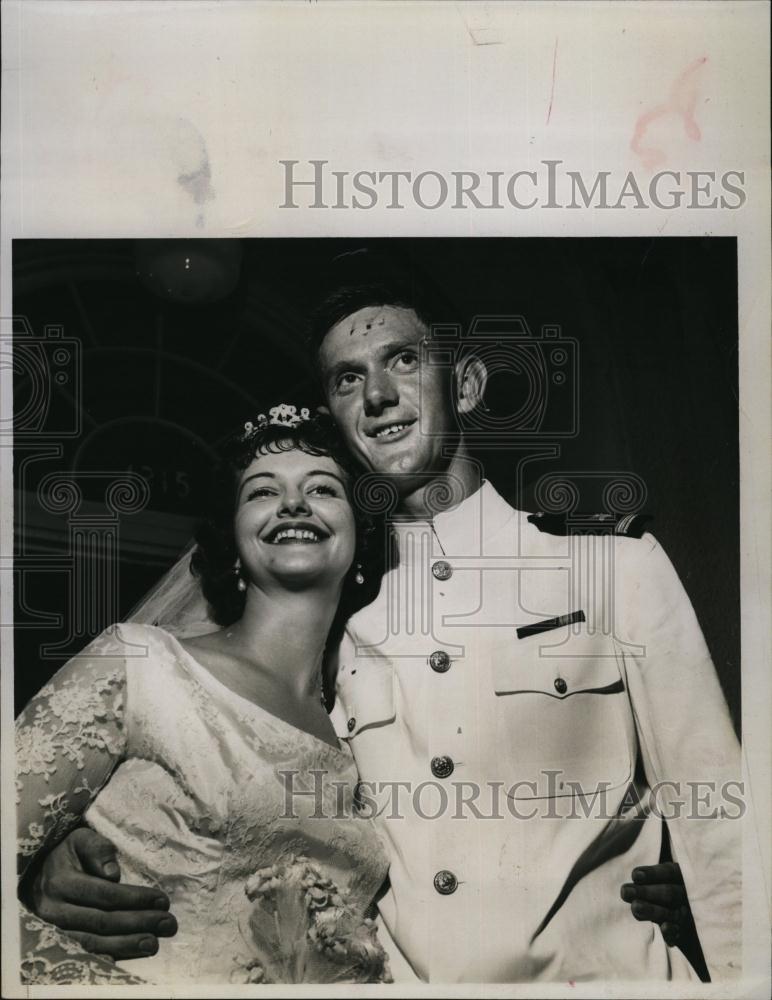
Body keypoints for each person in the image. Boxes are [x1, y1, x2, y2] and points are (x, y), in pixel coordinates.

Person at [23, 254, 741, 983]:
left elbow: (721, 825)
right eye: (347, 377)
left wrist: (730, 950)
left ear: (464, 384)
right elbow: (228, 754)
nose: (378, 395)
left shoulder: (613, 570)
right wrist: (70, 844)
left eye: (402, 360)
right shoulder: (335, 610)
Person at [16, 412, 392, 985]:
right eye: (263, 491)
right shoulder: (141, 664)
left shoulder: (362, 725)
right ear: (233, 540)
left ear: (359, 536)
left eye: (321, 488)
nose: (294, 504)